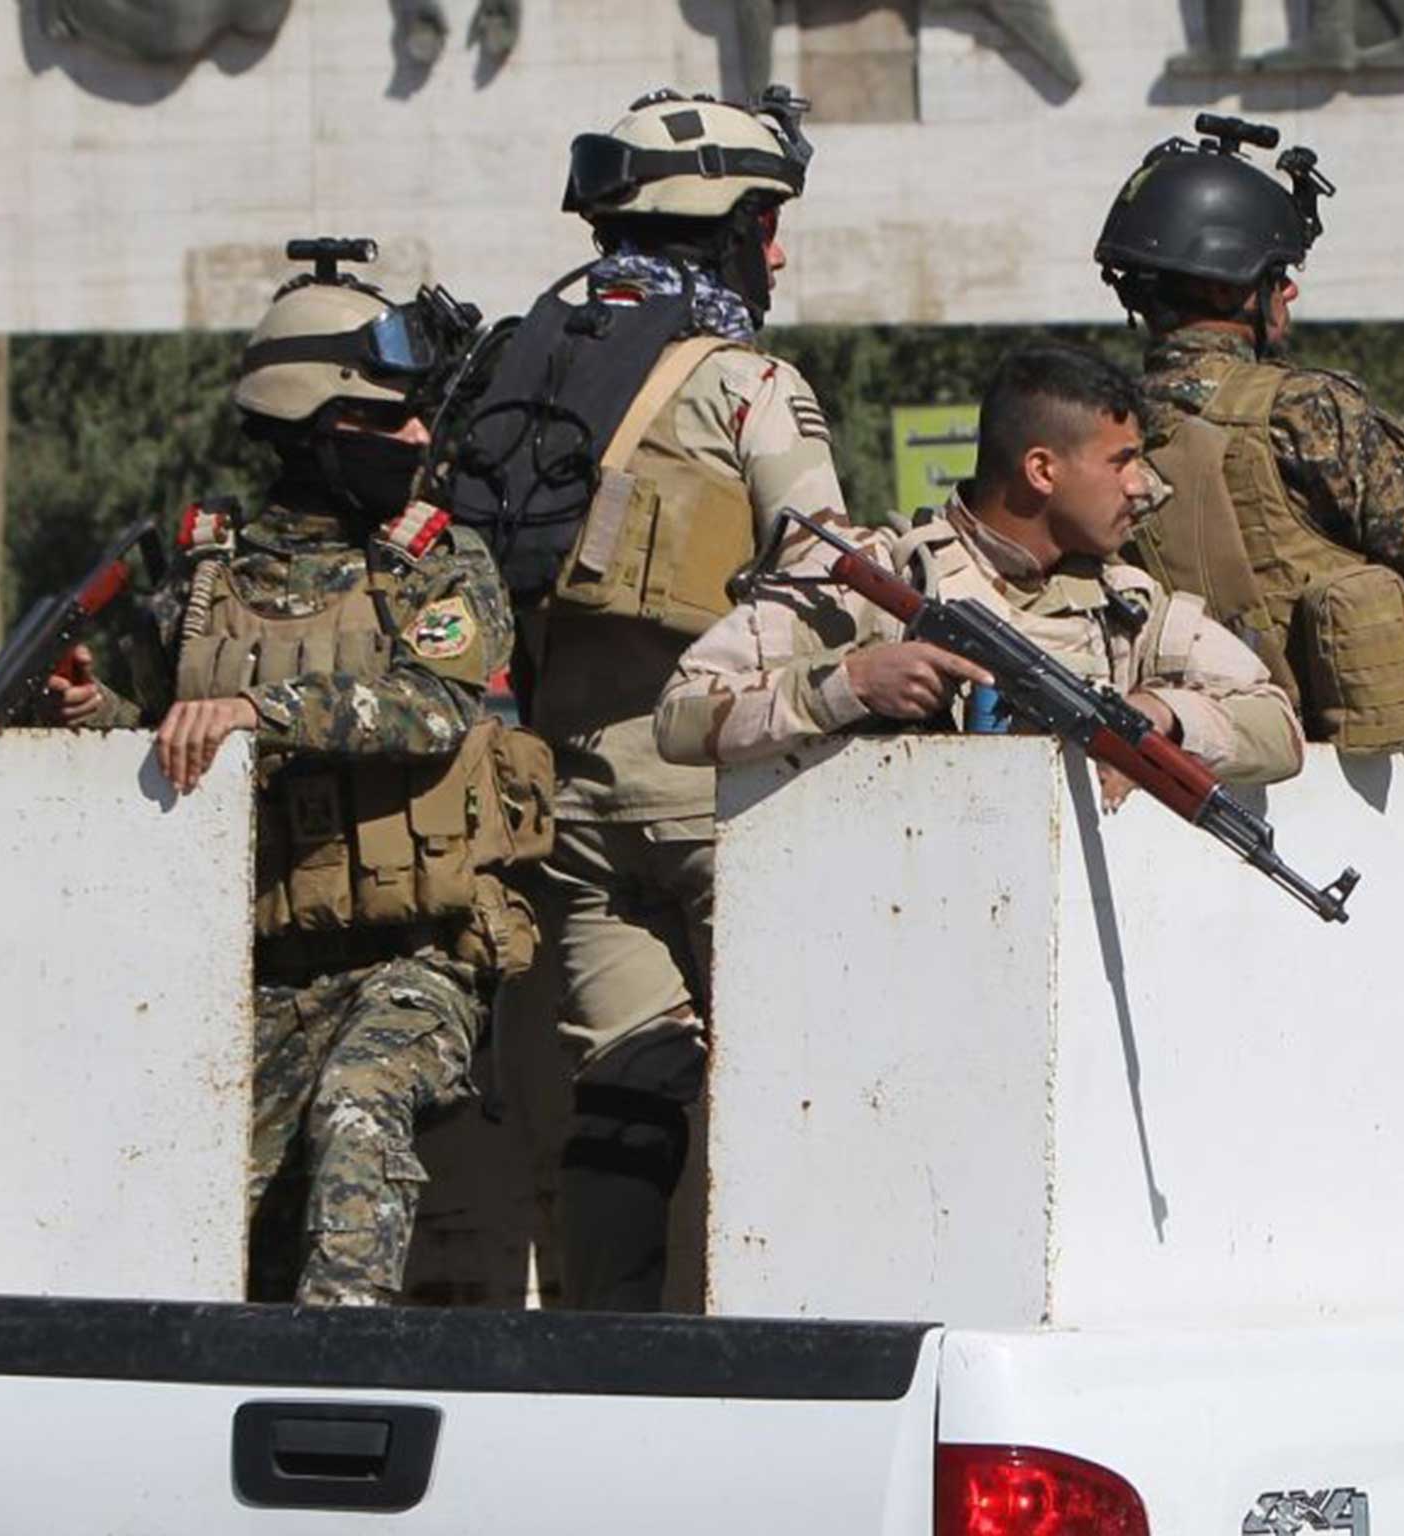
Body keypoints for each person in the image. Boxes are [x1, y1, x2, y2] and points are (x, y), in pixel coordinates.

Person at [47, 247, 542, 1306]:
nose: (415, 438)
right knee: (220, 1215)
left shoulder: (435, 562)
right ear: (310, 430)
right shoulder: (205, 568)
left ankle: (342, 1377)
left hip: (417, 957)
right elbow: (160, 730)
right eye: (384, 420)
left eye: (417, 415)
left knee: (356, 1115)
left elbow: (434, 705)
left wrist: (259, 712)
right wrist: (99, 713)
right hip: (259, 968)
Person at [447, 86, 847, 1311]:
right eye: (762, 221)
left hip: (558, 796)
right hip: (713, 786)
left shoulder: (515, 370)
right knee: (795, 1077)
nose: (773, 250)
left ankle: (609, 1350)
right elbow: (828, 573)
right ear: (721, 226)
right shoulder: (744, 383)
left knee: (628, 1078)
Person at [1095, 117, 1404, 816]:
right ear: (1225, 287)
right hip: (1346, 784)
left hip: (1180, 758)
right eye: (1277, 275)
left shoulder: (1096, 427)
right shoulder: (1306, 408)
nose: (1289, 293)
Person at [655, 343, 1305, 800]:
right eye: (1121, 462)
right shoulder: (886, 584)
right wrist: (849, 683)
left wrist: (1160, 713)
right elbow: (680, 717)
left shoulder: (1126, 608)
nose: (1141, 487)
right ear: (1042, 470)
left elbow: (1279, 729)